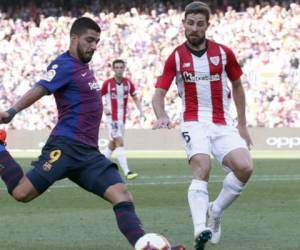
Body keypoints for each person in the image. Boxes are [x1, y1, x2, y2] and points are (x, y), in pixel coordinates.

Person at [0, 17, 184, 250]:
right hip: (65, 147)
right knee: (21, 192)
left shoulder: (83, 68)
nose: (93, 46)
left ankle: (144, 246)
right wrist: (11, 112)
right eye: (89, 40)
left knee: (122, 195)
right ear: (74, 38)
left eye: (97, 41)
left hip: (88, 153)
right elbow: (41, 88)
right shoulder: (63, 65)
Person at [152, 2, 253, 250]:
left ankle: (215, 211)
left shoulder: (223, 53)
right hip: (193, 121)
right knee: (203, 167)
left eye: (199, 24)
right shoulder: (175, 57)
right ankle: (200, 229)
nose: (194, 28)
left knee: (245, 168)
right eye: (190, 23)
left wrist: (242, 123)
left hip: (222, 122)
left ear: (207, 26)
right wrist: (162, 115)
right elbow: (158, 94)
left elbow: (237, 86)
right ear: (183, 24)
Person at [101, 59, 144, 180]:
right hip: (111, 119)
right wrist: (104, 108)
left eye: (121, 67)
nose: (119, 69)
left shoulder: (128, 83)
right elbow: (97, 97)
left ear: (124, 68)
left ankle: (98, 166)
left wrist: (141, 111)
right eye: (117, 67)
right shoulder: (108, 84)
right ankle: (127, 171)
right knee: (119, 142)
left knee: (112, 145)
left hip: (122, 119)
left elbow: (135, 98)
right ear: (113, 69)